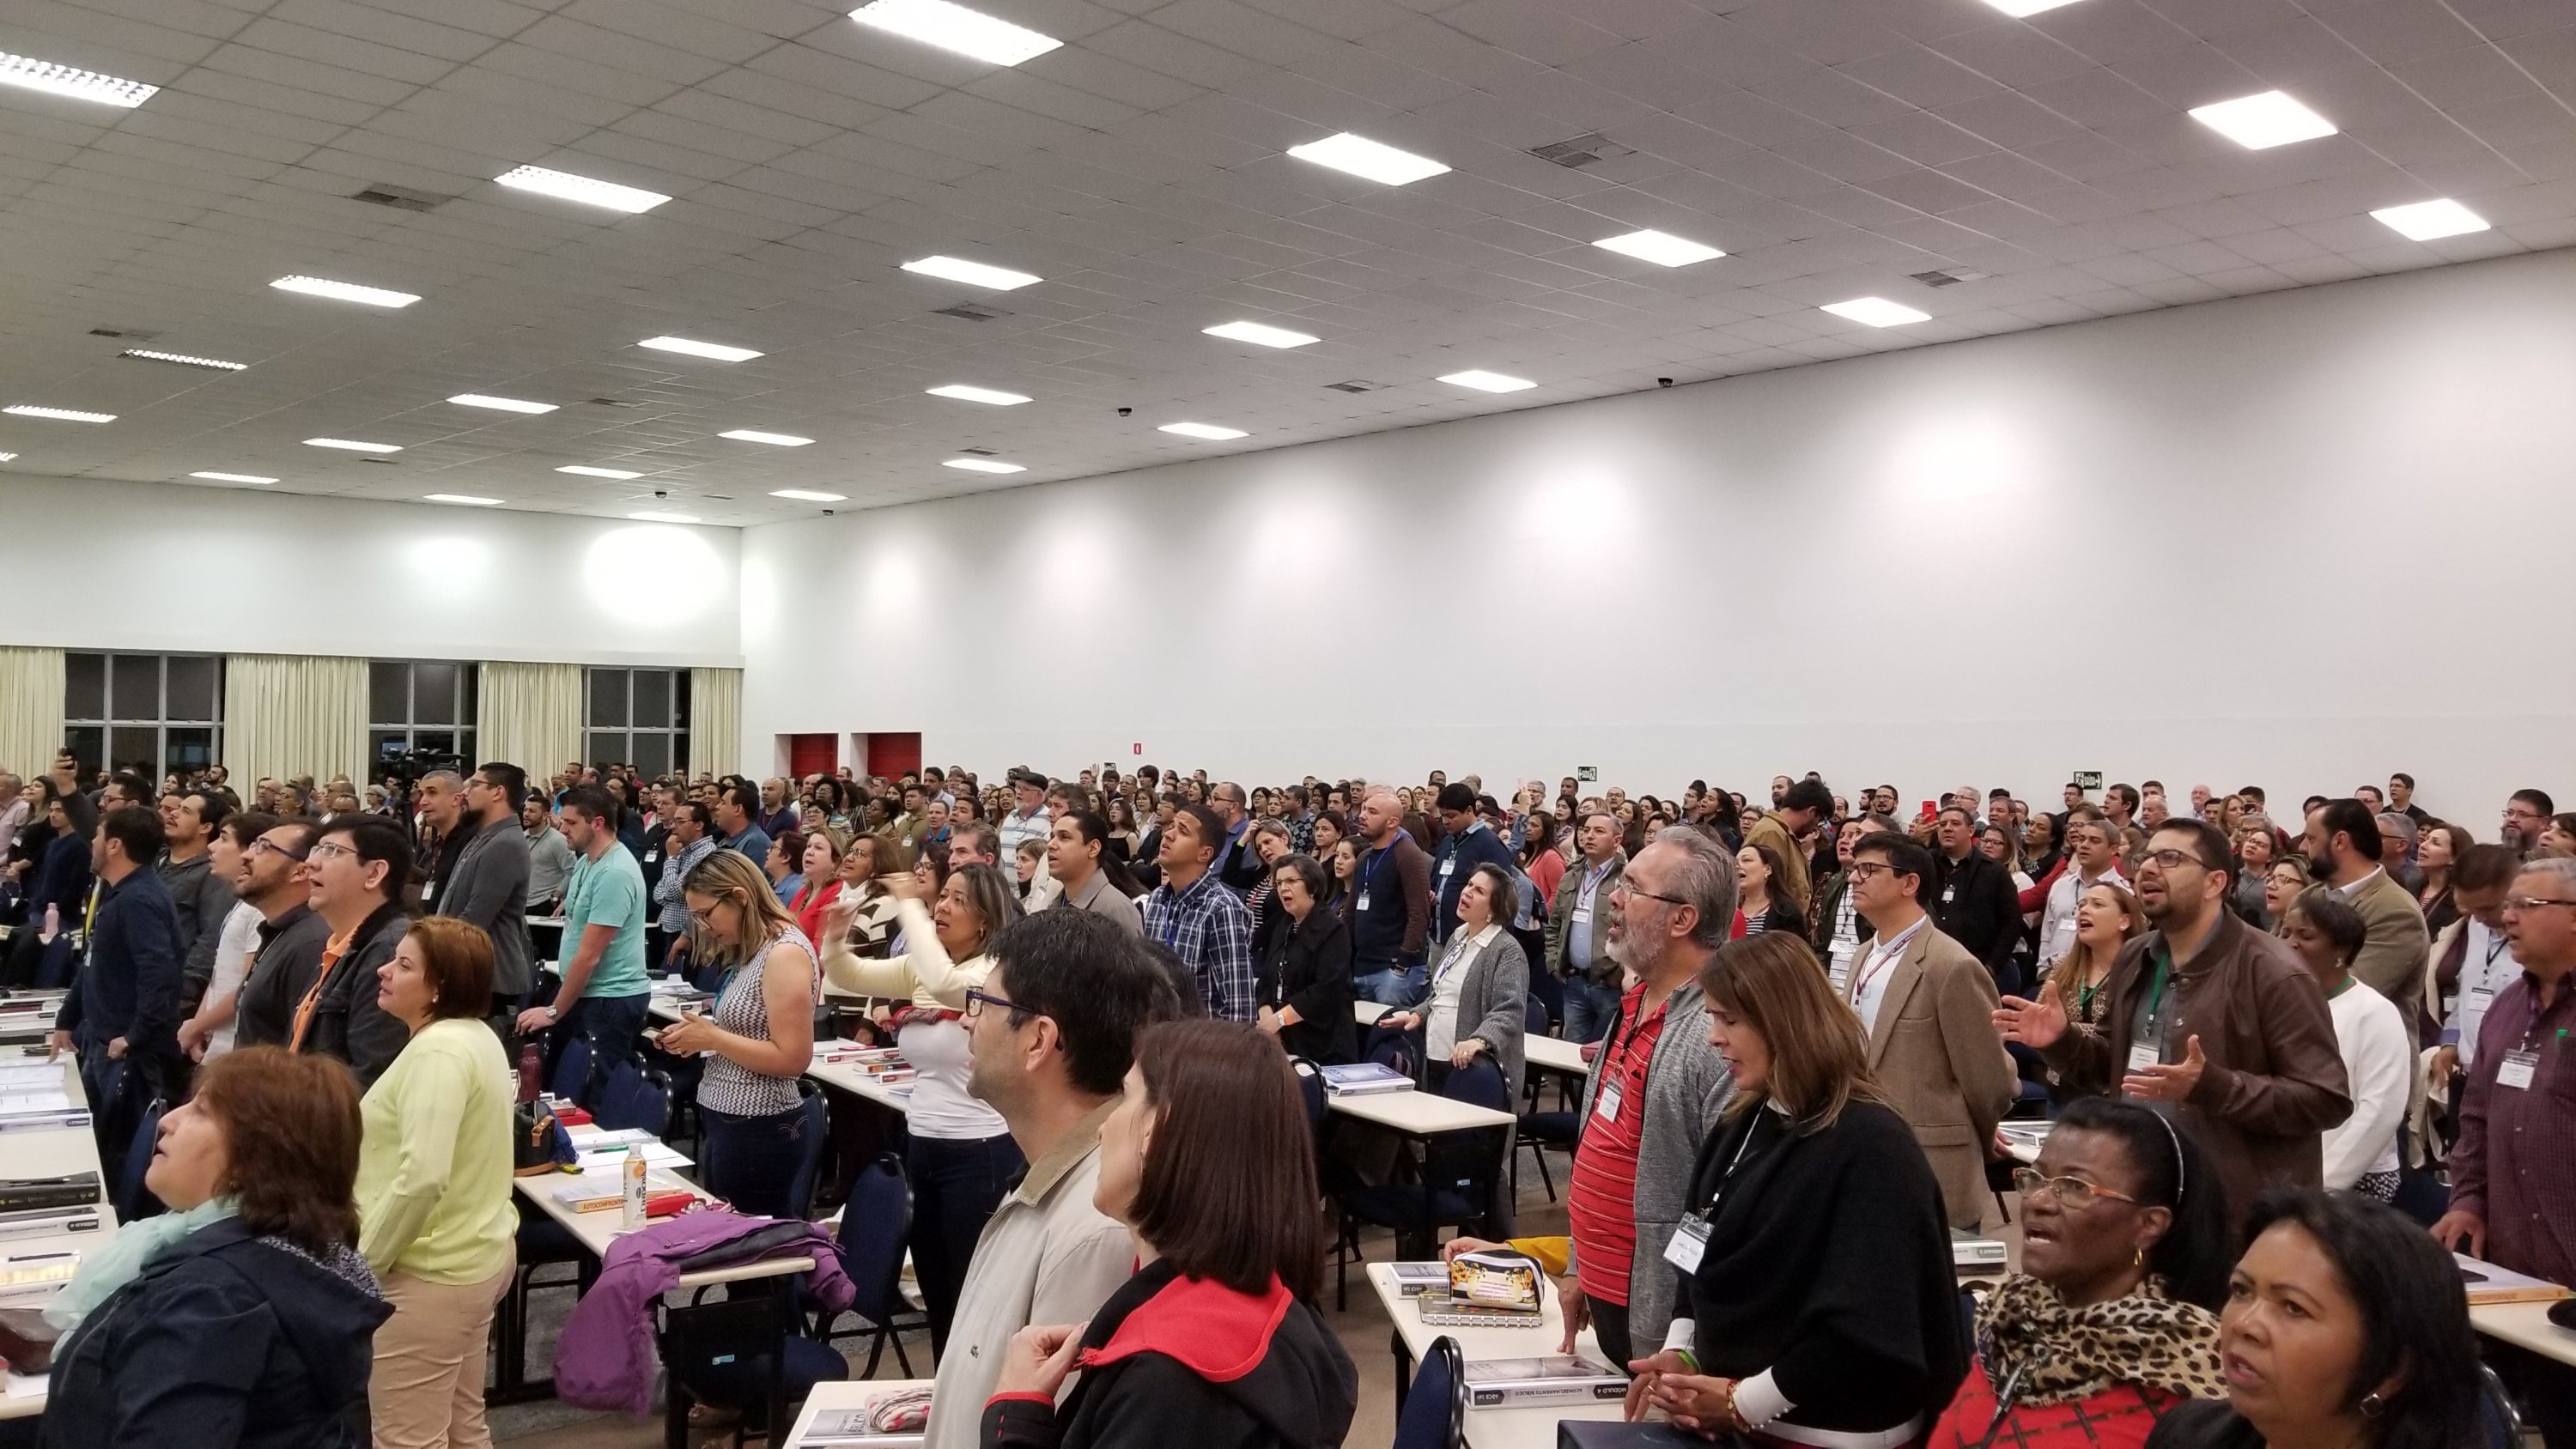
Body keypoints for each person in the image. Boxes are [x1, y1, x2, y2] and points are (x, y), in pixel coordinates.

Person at [1623, 931, 1967, 1444]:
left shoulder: (1873, 1147)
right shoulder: (1741, 1123)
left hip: (1834, 1431)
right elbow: (1696, 1249)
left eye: (1729, 1020)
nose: (1714, 1038)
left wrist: (1742, 1404)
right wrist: (1682, 1353)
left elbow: (1864, 1328)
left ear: (1782, 1021)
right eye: (1712, 1018)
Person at [981, 1019, 1357, 1449]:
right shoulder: (1260, 1308)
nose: (1103, 1128)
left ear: (1157, 1130)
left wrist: (1015, 1417)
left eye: (1125, 1097)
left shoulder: (1164, 1384)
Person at [2000, 819, 2351, 1238]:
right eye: (2146, 857)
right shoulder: (2136, 956)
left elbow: (2325, 1099)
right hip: (2142, 1198)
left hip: (2234, 1213)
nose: (2148, 868)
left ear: (2215, 882)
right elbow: (2113, 1071)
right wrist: (2061, 1041)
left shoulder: (2273, 970)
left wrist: (2214, 1086)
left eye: (2170, 858)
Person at [38, 1047, 391, 1449]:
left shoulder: (211, 1301)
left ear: (254, 1158)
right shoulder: (287, 1254)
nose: (168, 1120)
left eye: (201, 1111)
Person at [931, 910, 1186, 1449]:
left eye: (983, 1003)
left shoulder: (1095, 1227)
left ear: (1039, 1040)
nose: (966, 1022)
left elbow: (1048, 1433)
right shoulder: (1049, 1183)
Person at [1926, 1096, 2230, 1449]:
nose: (2039, 1201)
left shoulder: (2183, 1381)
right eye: (2036, 1177)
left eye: (2076, 1187)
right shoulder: (2010, 1320)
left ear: (2149, 1225)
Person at [1552, 827, 1738, 1367]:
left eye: (1632, 887)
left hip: (1667, 1330)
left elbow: (1728, 1208)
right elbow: (1600, 1143)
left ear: (1682, 920)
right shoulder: (1635, 1005)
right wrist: (1577, 1266)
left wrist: (1685, 1344)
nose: (1614, 897)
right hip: (1609, 1295)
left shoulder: (1717, 1037)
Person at [823, 862, 1024, 1353]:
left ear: (985, 920)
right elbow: (848, 975)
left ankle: (977, 1390)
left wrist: (909, 905)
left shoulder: (993, 972)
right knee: (934, 1291)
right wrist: (836, 935)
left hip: (979, 1152)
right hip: (924, 1145)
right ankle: (941, 1387)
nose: (943, 906)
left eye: (958, 899)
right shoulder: (926, 967)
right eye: (943, 896)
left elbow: (943, 982)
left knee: (968, 1293)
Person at [2146, 1192, 2482, 1449]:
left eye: (2293, 1308)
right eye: (2241, 1290)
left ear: (2393, 1370)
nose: (2245, 1324)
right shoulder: (2188, 1435)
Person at [2431, 855, 2576, 1447]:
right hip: (2524, 1282)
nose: (2508, 918)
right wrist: (2468, 1200)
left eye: (2527, 905)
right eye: (2508, 905)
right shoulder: (2508, 1007)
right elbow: (2477, 1117)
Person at [356, 918, 518, 1449]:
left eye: (404, 965)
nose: (384, 971)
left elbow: (422, 1178)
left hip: (429, 1275)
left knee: (407, 1440)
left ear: (439, 987)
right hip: (472, 1258)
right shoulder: (475, 1036)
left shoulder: (439, 1052)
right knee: (462, 1426)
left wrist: (364, 1265)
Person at [1834, 831, 2016, 1228]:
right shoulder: (1863, 954)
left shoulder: (1950, 965)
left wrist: (1983, 1134)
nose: (1854, 878)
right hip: (1863, 1150)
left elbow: (1987, 1077)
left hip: (1931, 1159)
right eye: (1854, 869)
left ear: (1909, 883)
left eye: (1869, 869)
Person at [658, 848, 819, 1218]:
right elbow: (748, 1032)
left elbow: (793, 1059)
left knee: (754, 1246)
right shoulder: (754, 948)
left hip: (759, 1124)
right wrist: (700, 1036)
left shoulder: (784, 953)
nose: (703, 927)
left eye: (706, 914)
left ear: (741, 897)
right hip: (729, 1117)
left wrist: (713, 1039)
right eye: (695, 917)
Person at [52, 804, 185, 1148]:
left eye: (97, 835)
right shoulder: (121, 893)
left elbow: (160, 974)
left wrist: (135, 1035)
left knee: (117, 1150)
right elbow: (93, 963)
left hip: (127, 1051)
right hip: (103, 1040)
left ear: (114, 845)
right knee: (94, 1139)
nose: (92, 843)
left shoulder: (139, 900)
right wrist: (67, 1019)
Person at [516, 786, 652, 1095]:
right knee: (568, 1087)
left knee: (594, 1093)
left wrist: (553, 1010)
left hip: (609, 999)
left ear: (598, 823)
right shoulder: (587, 861)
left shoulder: (615, 872)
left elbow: (589, 955)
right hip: (588, 993)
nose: (562, 828)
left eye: (571, 822)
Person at [2274, 889, 2407, 1199]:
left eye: (2306, 935)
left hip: (2350, 1181)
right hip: (2286, 1173)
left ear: (2341, 950)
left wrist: (2323, 1185)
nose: (2291, 943)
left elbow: (2380, 1111)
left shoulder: (2374, 1012)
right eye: (2286, 933)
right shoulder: (2280, 1004)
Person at [2300, 800, 2429, 1054]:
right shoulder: (2309, 897)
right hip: (2313, 1052)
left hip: (2369, 1060)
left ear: (2340, 842)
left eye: (2311, 839)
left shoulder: (2396, 911)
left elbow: (2349, 991)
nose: (2303, 848)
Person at [432, 764, 536, 1026]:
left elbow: (474, 919)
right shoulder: (486, 836)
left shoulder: (505, 843)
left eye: (475, 785)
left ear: (498, 792)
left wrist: (431, 951)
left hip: (488, 976)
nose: (465, 792)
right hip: (474, 971)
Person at [1139, 803, 1255, 1022]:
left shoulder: (1222, 908)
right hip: (1159, 1033)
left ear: (1205, 853)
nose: (1168, 835)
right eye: (1171, 827)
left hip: (1199, 1037)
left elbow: (1239, 1006)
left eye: (1182, 831)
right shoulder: (1156, 899)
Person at [176, 810, 272, 1061]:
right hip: (216, 1040)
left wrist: (196, 1027)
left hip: (235, 1047)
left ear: (249, 852)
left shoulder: (258, 911)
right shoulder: (241, 903)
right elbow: (220, 973)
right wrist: (199, 1023)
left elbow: (247, 984)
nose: (211, 846)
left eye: (224, 839)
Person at [2032, 882, 2146, 1093]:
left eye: (2097, 904)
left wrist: (2067, 1031)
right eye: (2081, 905)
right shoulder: (2064, 968)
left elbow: (2132, 1035)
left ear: (2124, 921)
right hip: (2063, 1084)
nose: (2083, 910)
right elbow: (2041, 1024)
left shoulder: (2141, 972)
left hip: (2115, 1088)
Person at [1253, 852, 1354, 1064]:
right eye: (1279, 883)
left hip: (1321, 1045)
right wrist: (1267, 1021)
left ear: (1312, 886)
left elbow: (1326, 990)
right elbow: (1266, 981)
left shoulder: (1333, 929)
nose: (1283, 888)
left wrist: (1279, 1020)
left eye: (1291, 881)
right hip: (1281, 1041)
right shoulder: (1284, 926)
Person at [1344, 789, 1432, 1007]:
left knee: (1389, 1029)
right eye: (1364, 809)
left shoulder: (1407, 854)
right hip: (1362, 966)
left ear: (1392, 822)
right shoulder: (1364, 857)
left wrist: (1402, 964)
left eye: (1372, 812)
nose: (1362, 815)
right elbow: (1350, 912)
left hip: (1393, 971)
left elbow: (1419, 913)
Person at [1547, 807, 1627, 1045]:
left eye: (1599, 831)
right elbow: (1555, 923)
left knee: (1604, 1053)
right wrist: (1553, 963)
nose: (1589, 836)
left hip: (1609, 984)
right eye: (1586, 830)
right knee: (1569, 1054)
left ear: (1617, 841)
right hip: (1574, 981)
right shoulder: (1571, 875)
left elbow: (1635, 931)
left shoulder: (1627, 878)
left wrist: (1619, 974)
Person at [1931, 804, 2023, 985]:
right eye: (1942, 824)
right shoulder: (1926, 864)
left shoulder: (1994, 871)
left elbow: (2012, 923)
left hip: (1978, 967)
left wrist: (1992, 967)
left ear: (1971, 830)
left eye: (1955, 823)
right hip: (1932, 967)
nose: (1947, 828)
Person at [1429, 781, 1516, 944]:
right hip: (1440, 936)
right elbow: (1435, 881)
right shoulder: (1447, 842)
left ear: (1469, 810)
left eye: (1451, 816)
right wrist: (1432, 894)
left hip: (1472, 940)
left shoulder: (1490, 845)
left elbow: (1504, 897)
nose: (1445, 821)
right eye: (1443, 816)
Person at [1046, 809, 1143, 936]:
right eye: (1052, 837)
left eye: (1064, 837)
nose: (1051, 844)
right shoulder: (1056, 904)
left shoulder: (1115, 909)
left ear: (1093, 848)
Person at [1742, 777, 1826, 918]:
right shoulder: (1772, 833)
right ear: (1811, 812)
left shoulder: (1784, 834)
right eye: (1820, 820)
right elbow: (1769, 891)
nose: (1816, 827)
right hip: (1775, 926)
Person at [784, 826, 847, 946]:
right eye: (808, 846)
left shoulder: (837, 892)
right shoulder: (805, 891)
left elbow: (821, 948)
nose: (809, 852)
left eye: (818, 848)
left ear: (836, 861)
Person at [1732, 842, 1803, 937]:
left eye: (1746, 860)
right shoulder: (1729, 908)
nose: (1737, 866)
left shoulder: (1786, 912)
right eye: (1736, 862)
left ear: (1768, 870)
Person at [522, 795, 576, 912]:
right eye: (525, 810)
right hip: (522, 903)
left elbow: (572, 870)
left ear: (545, 815)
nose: (526, 814)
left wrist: (556, 895)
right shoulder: (521, 838)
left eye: (532, 811)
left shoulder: (558, 840)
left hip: (545, 904)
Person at [711, 781, 772, 865]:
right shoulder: (726, 840)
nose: (717, 807)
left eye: (723, 803)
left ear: (738, 809)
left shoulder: (755, 843)